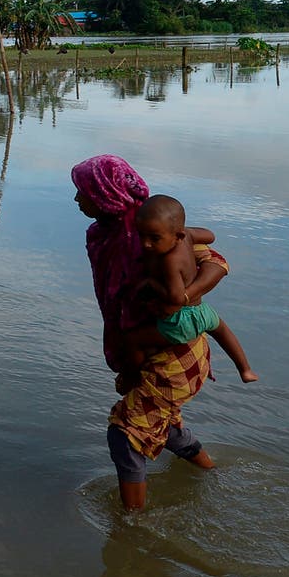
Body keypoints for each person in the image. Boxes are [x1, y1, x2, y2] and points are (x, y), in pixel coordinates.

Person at [71, 154, 229, 511]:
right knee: (160, 423)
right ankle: (211, 473)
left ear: (106, 194)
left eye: (84, 193)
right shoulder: (111, 234)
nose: (78, 200)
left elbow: (216, 260)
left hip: (174, 354)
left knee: (124, 434)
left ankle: (132, 526)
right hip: (153, 354)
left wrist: (184, 296)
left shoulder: (150, 233)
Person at [126, 194, 258, 383]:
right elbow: (210, 236)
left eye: (154, 238)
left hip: (180, 320)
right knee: (222, 331)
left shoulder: (169, 261)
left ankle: (134, 378)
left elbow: (177, 298)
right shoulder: (186, 235)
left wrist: (151, 284)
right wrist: (182, 231)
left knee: (132, 340)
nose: (146, 244)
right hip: (202, 311)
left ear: (177, 236)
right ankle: (245, 370)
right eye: (141, 235)